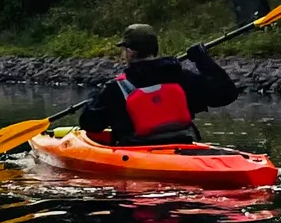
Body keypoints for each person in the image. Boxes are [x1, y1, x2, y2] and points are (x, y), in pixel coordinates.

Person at [78, 23, 238, 145]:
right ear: (155, 48)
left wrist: (94, 98)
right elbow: (226, 95)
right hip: (182, 150)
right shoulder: (182, 78)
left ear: (129, 52)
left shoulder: (116, 89)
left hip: (137, 158)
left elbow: (90, 125)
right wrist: (204, 60)